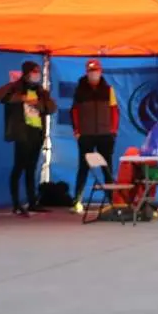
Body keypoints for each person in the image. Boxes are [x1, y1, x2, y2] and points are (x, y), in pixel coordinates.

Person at [0, 61, 57, 216]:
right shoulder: (15, 86)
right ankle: (16, 204)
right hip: (22, 132)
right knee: (18, 167)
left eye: (38, 71)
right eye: (34, 71)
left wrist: (38, 104)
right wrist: (21, 98)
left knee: (31, 168)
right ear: (26, 72)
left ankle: (32, 202)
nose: (37, 74)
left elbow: (52, 107)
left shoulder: (41, 90)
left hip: (37, 132)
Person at [70, 59, 119, 212]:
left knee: (107, 168)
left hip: (105, 134)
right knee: (83, 168)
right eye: (91, 71)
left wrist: (113, 131)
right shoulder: (79, 89)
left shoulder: (109, 89)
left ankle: (111, 200)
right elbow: (74, 112)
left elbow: (114, 111)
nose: (94, 73)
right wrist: (77, 131)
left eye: (96, 70)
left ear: (101, 71)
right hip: (86, 135)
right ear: (86, 72)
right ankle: (77, 201)